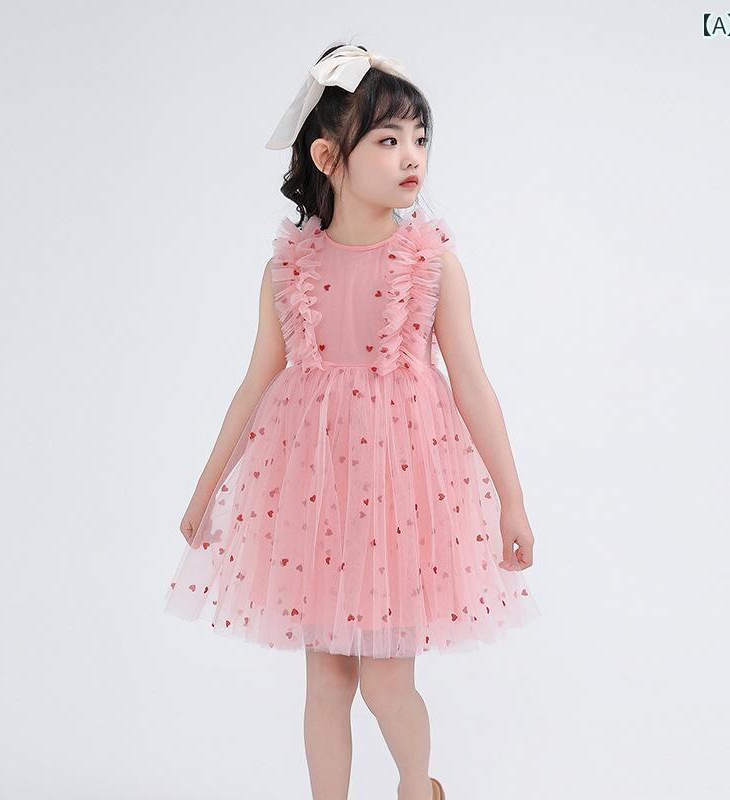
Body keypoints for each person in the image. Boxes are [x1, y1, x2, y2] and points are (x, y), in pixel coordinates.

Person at [164, 42, 541, 800]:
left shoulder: (431, 263)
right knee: (327, 681)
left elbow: (472, 384)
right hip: (314, 493)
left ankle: (417, 787)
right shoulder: (288, 268)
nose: (413, 156)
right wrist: (206, 492)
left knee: (386, 683)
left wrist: (512, 499)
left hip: (402, 492)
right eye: (388, 139)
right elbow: (254, 384)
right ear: (329, 156)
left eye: (420, 138)